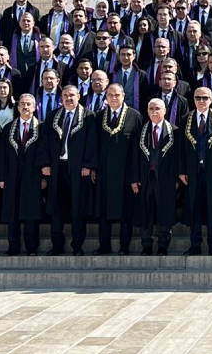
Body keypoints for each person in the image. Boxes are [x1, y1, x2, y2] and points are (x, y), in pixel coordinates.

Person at [45, 85, 97, 255]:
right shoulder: (53, 116)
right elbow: (44, 142)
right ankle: (57, 246)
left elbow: (92, 143)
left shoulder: (88, 116)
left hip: (78, 169)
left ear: (79, 96)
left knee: (77, 208)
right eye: (65, 95)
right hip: (57, 168)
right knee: (56, 208)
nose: (68, 98)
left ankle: (77, 246)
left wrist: (88, 165)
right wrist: (45, 164)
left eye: (72, 95)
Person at [94, 84, 143, 255]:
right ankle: (104, 245)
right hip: (105, 173)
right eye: (110, 95)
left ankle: (124, 246)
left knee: (125, 212)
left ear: (123, 96)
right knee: (103, 212)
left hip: (126, 173)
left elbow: (138, 149)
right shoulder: (99, 117)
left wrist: (135, 175)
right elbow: (95, 146)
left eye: (117, 95)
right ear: (105, 97)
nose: (114, 98)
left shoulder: (134, 116)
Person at [0, 94, 47, 256]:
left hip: (33, 178)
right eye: (22, 104)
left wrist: (44, 178)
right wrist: (1, 177)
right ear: (17, 108)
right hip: (12, 177)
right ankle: (13, 247)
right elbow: (2, 155)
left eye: (28, 104)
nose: (25, 107)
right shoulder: (8, 128)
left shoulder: (42, 128)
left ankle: (32, 247)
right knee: (13, 214)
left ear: (35, 107)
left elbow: (45, 155)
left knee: (31, 214)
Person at [179, 86, 212, 255]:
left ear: (211, 100)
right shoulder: (186, 119)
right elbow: (181, 147)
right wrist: (182, 170)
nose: (201, 101)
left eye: (205, 98)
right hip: (192, 172)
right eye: (198, 97)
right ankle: (195, 245)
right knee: (195, 209)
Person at [132, 99, 182, 255]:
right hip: (145, 179)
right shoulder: (140, 131)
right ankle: (146, 245)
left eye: (158, 108)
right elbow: (133, 157)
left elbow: (178, 158)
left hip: (166, 180)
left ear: (165, 110)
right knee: (145, 212)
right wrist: (134, 178)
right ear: (147, 111)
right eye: (151, 108)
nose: (154, 111)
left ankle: (162, 245)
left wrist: (177, 179)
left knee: (164, 212)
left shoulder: (175, 131)